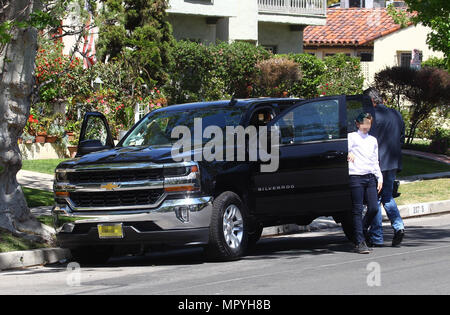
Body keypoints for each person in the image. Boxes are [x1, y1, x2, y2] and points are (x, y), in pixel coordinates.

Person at [364, 88, 406, 247]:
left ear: (371, 101)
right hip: (393, 162)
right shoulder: (395, 114)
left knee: (374, 200)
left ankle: (377, 236)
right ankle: (398, 226)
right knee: (387, 197)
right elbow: (401, 137)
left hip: (377, 164)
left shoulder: (372, 117)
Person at [347, 113, 383, 254]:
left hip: (370, 177)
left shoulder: (373, 140)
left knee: (374, 208)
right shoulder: (352, 137)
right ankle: (360, 242)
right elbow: (343, 150)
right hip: (356, 176)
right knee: (357, 209)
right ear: (357, 124)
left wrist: (379, 177)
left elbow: (375, 160)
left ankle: (360, 230)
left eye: (369, 123)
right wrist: (348, 153)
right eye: (364, 123)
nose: (366, 126)